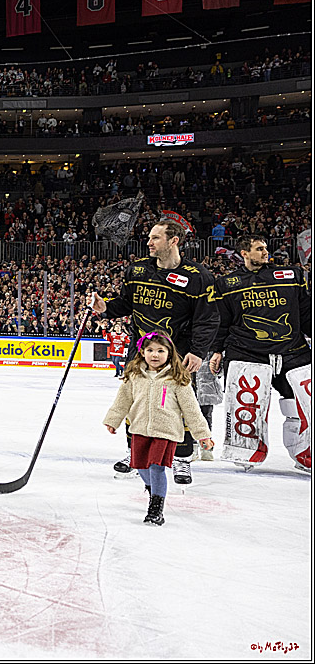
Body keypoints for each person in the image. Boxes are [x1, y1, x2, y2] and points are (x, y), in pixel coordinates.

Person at [89, 219, 217, 486]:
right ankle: (134, 453)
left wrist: (197, 351)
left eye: (155, 238)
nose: (148, 242)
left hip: (178, 354)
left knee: (181, 405)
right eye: (149, 237)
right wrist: (105, 308)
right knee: (135, 401)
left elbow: (206, 319)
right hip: (140, 352)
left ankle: (182, 457)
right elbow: (125, 304)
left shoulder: (198, 276)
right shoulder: (137, 270)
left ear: (174, 241)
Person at [209, 235, 312, 473]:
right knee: (246, 405)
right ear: (244, 253)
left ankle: (305, 454)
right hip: (247, 353)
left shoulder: (291, 275)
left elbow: (306, 311)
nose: (265, 252)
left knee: (302, 405)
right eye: (259, 248)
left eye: (265, 248)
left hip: (292, 351)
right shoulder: (226, 283)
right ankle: (246, 451)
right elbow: (222, 321)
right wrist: (216, 350)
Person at [104, 332, 215, 525]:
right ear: (142, 352)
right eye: (150, 350)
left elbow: (191, 409)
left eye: (160, 351)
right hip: (139, 429)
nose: (155, 355)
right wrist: (113, 420)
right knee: (141, 466)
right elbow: (122, 400)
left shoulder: (177, 378)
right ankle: (152, 488)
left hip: (166, 431)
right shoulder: (134, 375)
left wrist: (203, 435)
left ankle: (156, 508)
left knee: (156, 467)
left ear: (169, 353)